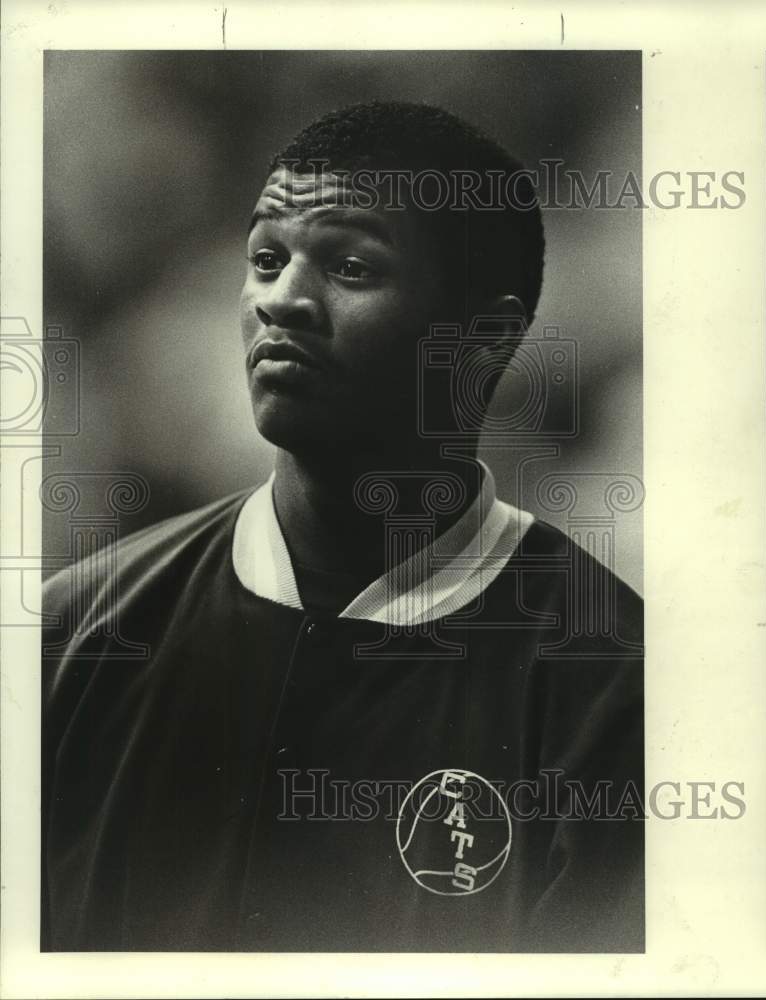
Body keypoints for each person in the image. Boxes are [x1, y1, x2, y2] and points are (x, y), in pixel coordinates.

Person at [41, 101, 644, 952]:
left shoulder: (615, 686)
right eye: (264, 258)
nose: (281, 301)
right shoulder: (70, 639)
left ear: (485, 340)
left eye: (351, 266)